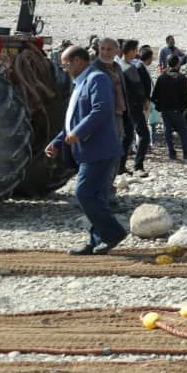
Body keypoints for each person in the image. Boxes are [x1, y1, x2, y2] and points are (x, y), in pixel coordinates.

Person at [45, 45, 127, 255]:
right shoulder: (82, 82)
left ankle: (114, 233)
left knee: (84, 193)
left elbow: (101, 109)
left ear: (78, 61)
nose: (63, 68)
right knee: (95, 196)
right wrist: (58, 141)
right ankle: (95, 240)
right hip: (89, 150)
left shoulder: (97, 79)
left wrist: (79, 133)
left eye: (65, 64)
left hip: (100, 149)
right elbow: (74, 118)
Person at [93, 38, 131, 179]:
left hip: (118, 115)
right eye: (102, 48)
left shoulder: (117, 67)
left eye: (109, 49)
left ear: (117, 51)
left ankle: (109, 184)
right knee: (104, 152)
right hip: (102, 117)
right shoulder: (94, 68)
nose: (105, 52)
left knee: (115, 151)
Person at [151, 54, 187, 160]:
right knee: (183, 131)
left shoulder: (162, 77)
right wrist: (184, 108)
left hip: (165, 109)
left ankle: (171, 153)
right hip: (177, 109)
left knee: (167, 131)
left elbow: (155, 95)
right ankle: (186, 153)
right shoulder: (181, 77)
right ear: (177, 64)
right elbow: (184, 95)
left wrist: (159, 106)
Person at [121, 40, 152, 176]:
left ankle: (120, 166)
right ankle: (138, 166)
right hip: (134, 106)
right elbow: (139, 89)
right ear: (131, 51)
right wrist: (145, 101)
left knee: (127, 137)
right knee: (144, 136)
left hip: (124, 107)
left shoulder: (119, 65)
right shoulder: (130, 68)